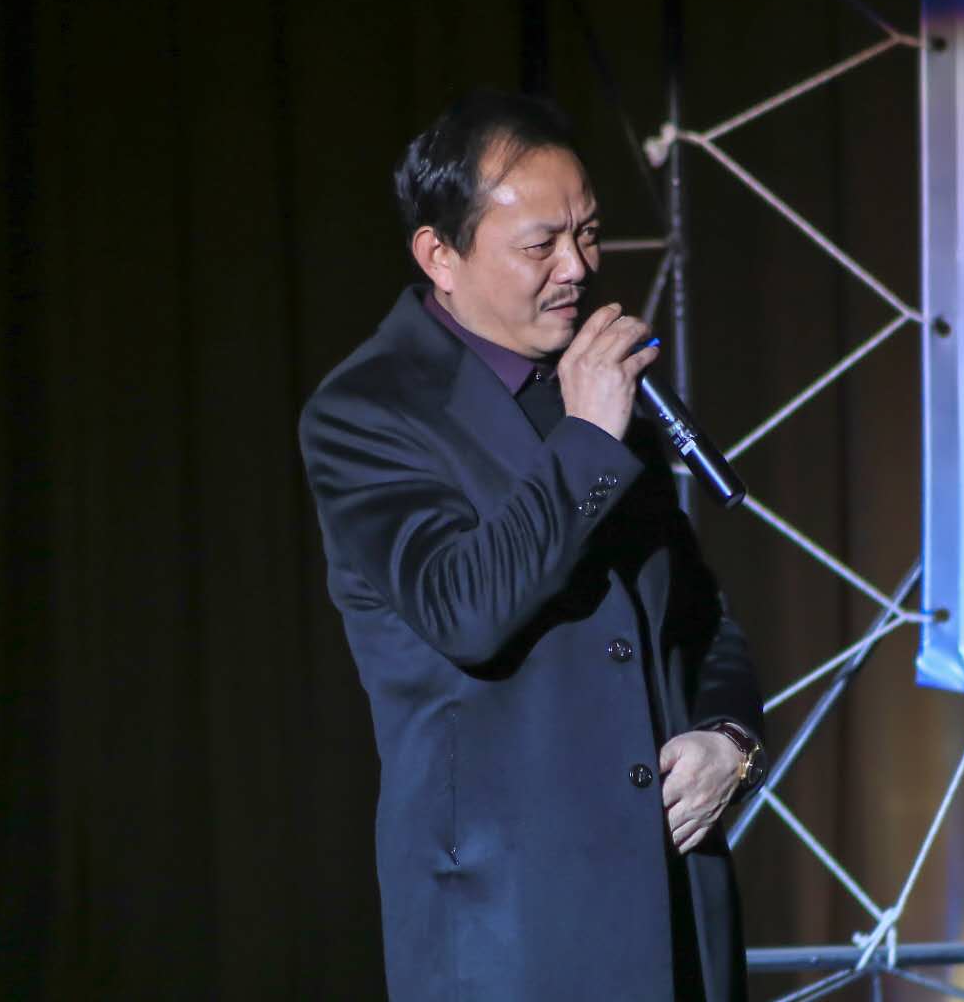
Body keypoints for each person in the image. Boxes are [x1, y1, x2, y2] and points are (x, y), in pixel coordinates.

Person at [299, 89, 767, 1001]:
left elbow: (700, 618)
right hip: (513, 932)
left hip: (672, 910)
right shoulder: (368, 411)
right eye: (539, 245)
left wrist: (729, 740)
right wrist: (588, 437)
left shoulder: (592, 393)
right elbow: (466, 609)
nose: (577, 267)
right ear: (440, 255)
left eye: (588, 234)